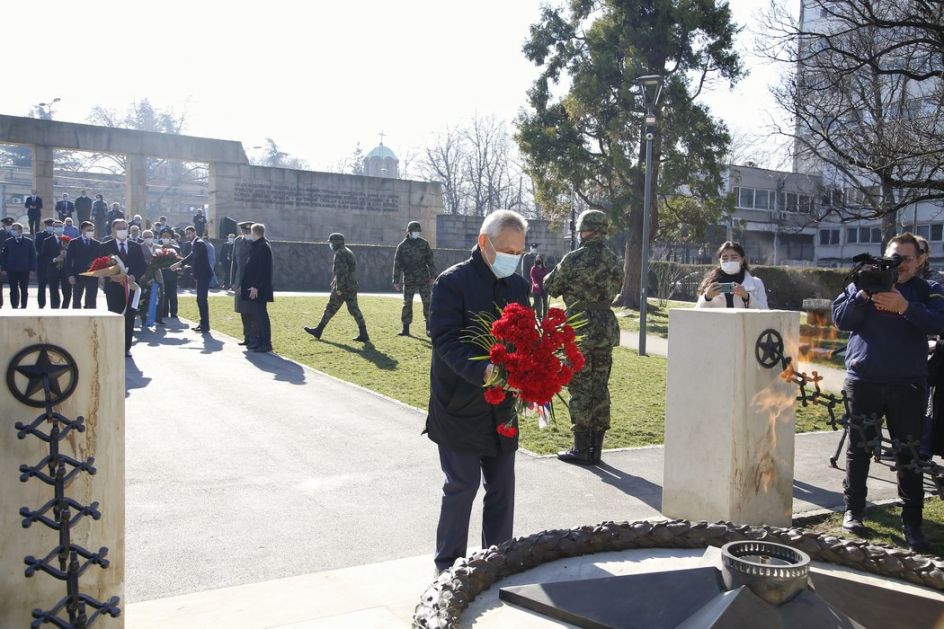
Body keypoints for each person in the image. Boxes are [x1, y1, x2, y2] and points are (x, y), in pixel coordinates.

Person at [426, 209, 530, 576]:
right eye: (506, 249)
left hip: (503, 407)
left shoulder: (518, 286)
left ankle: (497, 560)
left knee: (502, 485)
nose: (513, 258)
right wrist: (484, 371)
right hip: (459, 403)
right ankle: (448, 567)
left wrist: (532, 374)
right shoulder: (452, 283)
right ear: (483, 242)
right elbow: (445, 340)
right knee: (463, 485)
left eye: (519, 252)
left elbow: (525, 339)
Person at [832, 232, 944, 553]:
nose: (900, 265)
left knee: (909, 456)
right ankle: (854, 511)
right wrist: (862, 295)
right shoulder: (865, 281)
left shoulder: (928, 289)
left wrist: (906, 307)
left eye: (907, 259)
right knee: (859, 450)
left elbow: (939, 322)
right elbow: (840, 319)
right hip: (863, 380)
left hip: (907, 385)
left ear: (920, 259)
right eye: (895, 258)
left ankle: (912, 524)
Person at [545, 210, 624, 464]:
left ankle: (580, 448)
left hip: (579, 327)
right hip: (604, 327)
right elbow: (616, 287)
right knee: (599, 386)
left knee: (578, 385)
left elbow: (550, 286)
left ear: (586, 229)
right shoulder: (614, 259)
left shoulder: (573, 258)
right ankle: (596, 449)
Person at [305, 233, 370, 342]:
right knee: (354, 309)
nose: (330, 245)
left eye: (331, 242)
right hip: (351, 285)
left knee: (331, 307)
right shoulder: (348, 251)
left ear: (336, 242)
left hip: (343, 286)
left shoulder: (340, 253)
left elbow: (341, 273)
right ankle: (364, 333)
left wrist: (339, 288)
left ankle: (318, 330)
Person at [100, 219, 146, 356]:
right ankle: (114, 346)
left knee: (129, 317)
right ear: (113, 230)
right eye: (119, 228)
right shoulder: (105, 246)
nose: (122, 230)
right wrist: (113, 276)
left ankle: (126, 348)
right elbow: (101, 266)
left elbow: (142, 265)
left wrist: (134, 276)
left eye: (124, 228)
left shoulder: (135, 246)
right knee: (115, 316)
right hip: (113, 287)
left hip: (131, 287)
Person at [392, 220, 436, 336]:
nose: (417, 233)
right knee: (407, 303)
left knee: (427, 302)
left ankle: (429, 328)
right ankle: (405, 329)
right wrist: (396, 281)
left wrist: (433, 276)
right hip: (409, 278)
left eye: (418, 231)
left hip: (423, 277)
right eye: (415, 231)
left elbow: (430, 260)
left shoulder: (424, 244)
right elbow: (397, 264)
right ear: (409, 232)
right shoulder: (402, 246)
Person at [695, 241, 769, 309]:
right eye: (725, 258)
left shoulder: (756, 283)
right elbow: (697, 313)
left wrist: (747, 297)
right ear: (719, 261)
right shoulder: (710, 282)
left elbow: (765, 311)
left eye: (734, 257)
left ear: (742, 259)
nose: (729, 261)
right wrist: (707, 298)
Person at [172, 226, 212, 333]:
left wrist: (179, 263)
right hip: (201, 275)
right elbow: (193, 257)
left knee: (201, 300)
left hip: (204, 275)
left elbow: (193, 256)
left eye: (190, 233)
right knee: (201, 300)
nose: (188, 235)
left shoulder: (198, 242)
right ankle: (203, 323)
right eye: (187, 234)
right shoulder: (196, 243)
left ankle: (205, 325)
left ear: (194, 232)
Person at [242, 223, 274, 353]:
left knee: (261, 316)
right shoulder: (257, 246)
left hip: (259, 289)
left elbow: (263, 270)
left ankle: (265, 343)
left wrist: (256, 287)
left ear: (254, 233)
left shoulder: (263, 247)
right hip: (254, 288)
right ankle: (259, 341)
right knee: (257, 316)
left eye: (251, 232)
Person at [231, 221, 255, 346]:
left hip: (251, 281)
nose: (245, 233)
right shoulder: (237, 241)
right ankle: (246, 337)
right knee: (242, 310)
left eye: (248, 231)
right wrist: (233, 281)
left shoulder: (256, 242)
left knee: (252, 310)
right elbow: (234, 262)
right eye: (244, 231)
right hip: (239, 279)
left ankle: (253, 338)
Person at [67, 221, 101, 309]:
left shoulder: (97, 243)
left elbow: (100, 260)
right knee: (77, 298)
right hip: (78, 274)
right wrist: (70, 275)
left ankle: (91, 319)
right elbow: (68, 260)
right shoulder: (74, 242)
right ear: (82, 230)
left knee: (91, 299)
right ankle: (77, 318)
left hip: (92, 275)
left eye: (92, 230)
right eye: (88, 230)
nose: (91, 232)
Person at [1, 223, 36, 308]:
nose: (12, 231)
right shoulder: (8, 241)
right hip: (12, 270)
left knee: (24, 289)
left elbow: (33, 256)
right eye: (12, 229)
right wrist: (3, 268)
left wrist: (32, 269)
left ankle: (23, 306)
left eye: (14, 229)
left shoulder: (28, 241)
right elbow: (4, 256)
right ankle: (14, 306)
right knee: (13, 290)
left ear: (20, 230)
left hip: (24, 269)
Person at [42, 219, 72, 308]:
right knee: (54, 292)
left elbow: (73, 255)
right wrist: (55, 259)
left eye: (60, 226)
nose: (59, 228)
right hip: (53, 270)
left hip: (65, 270)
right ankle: (55, 310)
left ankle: (64, 309)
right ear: (53, 228)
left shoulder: (69, 240)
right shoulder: (47, 240)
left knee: (67, 292)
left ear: (63, 227)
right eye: (56, 227)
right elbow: (43, 256)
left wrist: (67, 255)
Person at [158, 227, 180, 320]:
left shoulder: (176, 248)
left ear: (171, 238)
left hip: (172, 273)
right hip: (161, 273)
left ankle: (174, 312)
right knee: (164, 293)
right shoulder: (158, 248)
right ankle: (164, 311)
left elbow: (179, 260)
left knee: (173, 294)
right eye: (164, 236)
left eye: (168, 236)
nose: (166, 238)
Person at [529, 255, 549, 320]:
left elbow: (547, 277)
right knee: (537, 303)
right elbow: (533, 278)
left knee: (545, 302)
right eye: (537, 259)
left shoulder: (544, 268)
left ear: (541, 260)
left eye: (539, 259)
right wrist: (535, 284)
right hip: (536, 288)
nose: (538, 260)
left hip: (544, 287)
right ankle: (538, 315)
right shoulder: (533, 268)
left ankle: (545, 316)